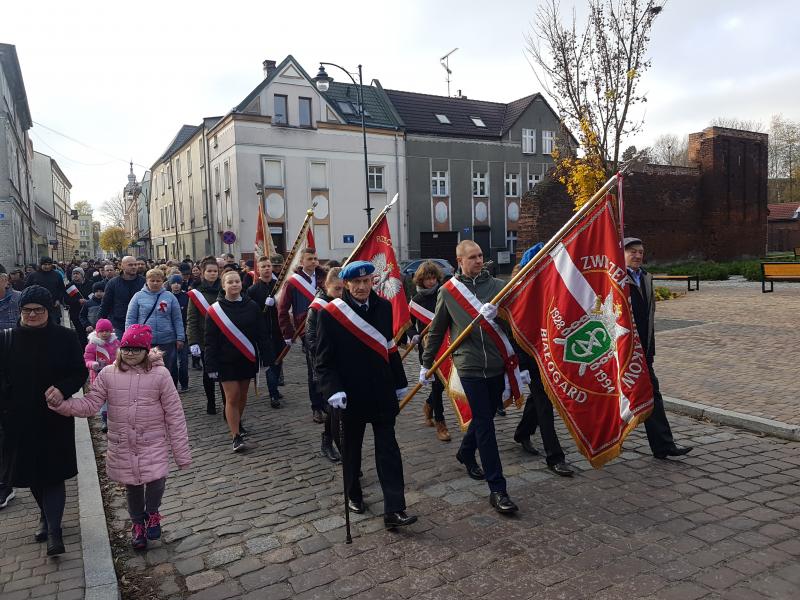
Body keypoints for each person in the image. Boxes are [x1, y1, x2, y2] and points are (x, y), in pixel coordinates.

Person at [47, 324, 191, 550]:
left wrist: (181, 453)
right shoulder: (108, 374)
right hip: (123, 443)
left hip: (152, 441)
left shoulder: (161, 375)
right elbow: (91, 404)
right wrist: (64, 405)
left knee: (156, 480)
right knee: (132, 487)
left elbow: (175, 414)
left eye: (136, 349)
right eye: (126, 348)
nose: (130, 353)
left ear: (146, 351)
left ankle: (152, 512)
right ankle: (137, 525)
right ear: (120, 348)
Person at [315, 261, 417, 529]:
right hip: (350, 396)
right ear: (346, 284)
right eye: (356, 283)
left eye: (366, 281)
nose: (362, 287)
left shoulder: (384, 308)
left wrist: (399, 381)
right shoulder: (331, 314)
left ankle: (395, 508)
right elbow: (323, 362)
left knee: (389, 451)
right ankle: (354, 494)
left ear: (372, 281)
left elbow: (389, 347)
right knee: (352, 450)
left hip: (381, 391)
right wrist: (332, 390)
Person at [422, 240, 520, 514]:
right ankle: (497, 489)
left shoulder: (498, 288)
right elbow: (438, 331)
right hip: (470, 366)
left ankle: (466, 452)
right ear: (460, 261)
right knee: (487, 425)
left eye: (481, 255)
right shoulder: (449, 292)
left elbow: (514, 324)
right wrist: (426, 364)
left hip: (496, 364)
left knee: (483, 417)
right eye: (472, 257)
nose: (479, 260)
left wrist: (499, 315)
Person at [0, 286, 88, 555]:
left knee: (53, 473)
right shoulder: (7, 340)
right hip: (19, 419)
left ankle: (55, 531)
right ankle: (45, 516)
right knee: (33, 476)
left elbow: (78, 372)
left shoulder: (66, 337)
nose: (33, 315)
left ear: (48, 311)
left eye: (38, 310)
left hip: (54, 416)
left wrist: (62, 388)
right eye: (27, 311)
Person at [624, 237, 693, 460]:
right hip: (620, 352)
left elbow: (648, 317)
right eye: (632, 251)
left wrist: (649, 349)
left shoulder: (645, 277)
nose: (637, 255)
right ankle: (530, 423)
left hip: (642, 351)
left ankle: (663, 445)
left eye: (640, 252)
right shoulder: (615, 279)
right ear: (621, 254)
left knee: (652, 395)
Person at [204, 270, 272, 452]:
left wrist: (267, 356)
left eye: (237, 282)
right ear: (224, 285)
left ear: (242, 284)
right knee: (232, 396)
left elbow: (262, 333)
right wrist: (210, 365)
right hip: (225, 360)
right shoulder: (214, 310)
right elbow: (209, 340)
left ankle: (237, 423)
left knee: (242, 397)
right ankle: (235, 436)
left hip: (246, 358)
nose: (234, 284)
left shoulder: (252, 306)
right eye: (230, 282)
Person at [277, 247, 327, 423]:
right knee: (313, 369)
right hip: (307, 331)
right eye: (310, 259)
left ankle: (328, 401)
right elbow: (282, 309)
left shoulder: (324, 278)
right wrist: (287, 332)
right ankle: (317, 407)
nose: (314, 262)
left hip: (328, 327)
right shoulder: (293, 282)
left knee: (329, 366)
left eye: (315, 258)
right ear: (302, 262)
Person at [305, 267, 344, 463]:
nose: (340, 293)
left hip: (345, 365)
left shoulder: (345, 304)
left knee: (339, 409)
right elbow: (310, 340)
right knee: (334, 409)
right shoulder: (317, 308)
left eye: (343, 289)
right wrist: (330, 351)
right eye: (337, 289)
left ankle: (332, 440)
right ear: (326, 286)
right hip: (325, 366)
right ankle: (333, 444)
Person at [409, 261, 451, 442]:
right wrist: (414, 335)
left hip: (446, 343)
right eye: (427, 279)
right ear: (421, 280)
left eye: (434, 278)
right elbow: (408, 324)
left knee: (442, 384)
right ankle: (440, 422)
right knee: (435, 383)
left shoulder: (444, 294)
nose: (431, 282)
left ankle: (428, 405)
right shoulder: (416, 301)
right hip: (426, 348)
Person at [125, 269, 185, 386]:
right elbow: (131, 319)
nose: (155, 283)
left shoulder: (170, 297)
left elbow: (177, 318)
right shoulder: (138, 297)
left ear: (163, 281)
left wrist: (180, 337)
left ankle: (169, 392)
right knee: (147, 369)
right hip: (145, 341)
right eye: (152, 280)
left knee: (168, 369)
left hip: (167, 340)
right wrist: (130, 339)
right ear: (147, 281)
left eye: (158, 280)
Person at [187, 257, 225, 414]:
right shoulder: (196, 294)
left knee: (224, 373)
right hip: (205, 340)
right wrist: (193, 341)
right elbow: (192, 320)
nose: (212, 274)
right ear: (202, 273)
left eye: (215, 271)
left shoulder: (224, 289)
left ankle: (226, 404)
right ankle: (211, 401)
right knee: (208, 372)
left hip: (224, 338)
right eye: (209, 271)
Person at [245, 255, 284, 408]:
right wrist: (262, 307)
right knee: (269, 363)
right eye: (264, 267)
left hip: (279, 331)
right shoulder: (253, 290)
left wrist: (277, 302)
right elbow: (250, 313)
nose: (267, 269)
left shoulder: (279, 285)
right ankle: (273, 394)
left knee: (279, 360)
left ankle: (274, 388)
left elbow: (286, 306)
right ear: (258, 270)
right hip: (263, 333)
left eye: (269, 266)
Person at [83, 318, 120, 432]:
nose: (105, 333)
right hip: (98, 376)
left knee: (113, 398)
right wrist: (93, 364)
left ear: (111, 331)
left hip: (114, 375)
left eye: (107, 331)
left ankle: (115, 418)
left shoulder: (115, 343)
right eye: (102, 331)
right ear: (97, 332)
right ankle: (105, 420)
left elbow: (120, 355)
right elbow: (87, 359)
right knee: (103, 399)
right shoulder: (92, 345)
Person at [100, 256, 145, 339]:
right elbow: (105, 305)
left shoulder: (144, 282)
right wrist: (100, 324)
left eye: (135, 264)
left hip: (140, 324)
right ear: (122, 266)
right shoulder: (113, 283)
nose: (134, 267)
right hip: (118, 324)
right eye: (130, 265)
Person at [24, 256, 66, 324]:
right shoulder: (33, 275)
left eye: (49, 264)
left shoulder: (57, 275)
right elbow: (26, 289)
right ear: (41, 265)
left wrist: (59, 299)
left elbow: (62, 289)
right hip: (37, 305)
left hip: (53, 305)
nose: (47, 266)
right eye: (45, 264)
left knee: (53, 326)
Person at [168, 275, 190, 391]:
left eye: (178, 283)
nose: (176, 285)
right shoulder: (167, 297)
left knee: (183, 361)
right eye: (173, 283)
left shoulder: (186, 297)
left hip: (184, 332)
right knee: (172, 362)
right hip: (171, 333)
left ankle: (184, 383)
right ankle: (174, 385)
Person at [65, 267, 93, 347]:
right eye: (74, 274)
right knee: (80, 334)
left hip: (89, 312)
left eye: (77, 273)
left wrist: (87, 301)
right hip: (76, 312)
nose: (75, 275)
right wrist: (78, 301)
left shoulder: (90, 283)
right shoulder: (70, 286)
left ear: (82, 275)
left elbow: (94, 295)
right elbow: (66, 300)